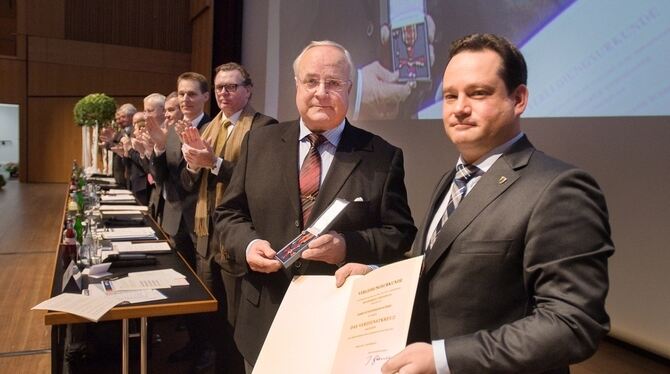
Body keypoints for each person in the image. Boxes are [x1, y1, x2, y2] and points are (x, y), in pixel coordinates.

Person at [337, 33, 615, 374]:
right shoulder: (452, 179)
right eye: (450, 96)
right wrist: (377, 276)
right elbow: (434, 266)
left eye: (478, 93)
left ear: (519, 98)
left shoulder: (560, 188)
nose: (459, 108)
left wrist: (444, 359)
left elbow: (572, 324)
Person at [214, 40, 417, 371]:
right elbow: (228, 215)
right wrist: (248, 244)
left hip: (337, 324)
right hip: (264, 316)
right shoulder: (259, 142)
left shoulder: (382, 156)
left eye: (334, 83)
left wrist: (347, 246)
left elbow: (400, 233)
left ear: (349, 89)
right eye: (311, 81)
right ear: (297, 86)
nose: (321, 92)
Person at [180, 62, 278, 372]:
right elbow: (187, 185)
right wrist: (194, 165)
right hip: (205, 237)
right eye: (220, 86)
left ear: (248, 91)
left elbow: (258, 184)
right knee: (212, 319)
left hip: (238, 239)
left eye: (232, 86)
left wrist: (215, 162)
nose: (224, 92)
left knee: (237, 325)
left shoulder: (264, 128)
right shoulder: (207, 128)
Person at [147, 72, 213, 370]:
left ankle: (206, 350)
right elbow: (162, 181)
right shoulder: (173, 130)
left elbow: (190, 182)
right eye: (181, 93)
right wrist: (159, 148)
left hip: (202, 223)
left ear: (204, 97)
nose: (185, 99)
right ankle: (192, 344)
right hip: (176, 222)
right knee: (184, 289)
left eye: (191, 94)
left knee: (204, 291)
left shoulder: (213, 128)